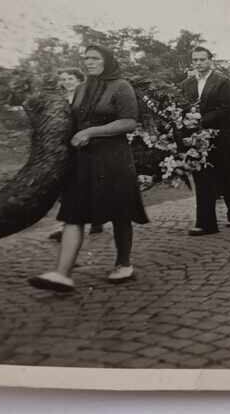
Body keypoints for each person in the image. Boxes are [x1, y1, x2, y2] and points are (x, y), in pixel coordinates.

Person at [29, 46, 147, 292]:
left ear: (107, 61)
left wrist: (91, 132)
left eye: (95, 58)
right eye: (86, 58)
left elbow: (129, 121)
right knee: (74, 213)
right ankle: (62, 274)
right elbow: (74, 121)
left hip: (113, 158)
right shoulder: (82, 88)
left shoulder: (121, 86)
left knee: (119, 213)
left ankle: (123, 264)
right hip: (83, 160)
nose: (89, 62)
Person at [180, 47, 230, 235]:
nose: (198, 63)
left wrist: (201, 118)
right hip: (197, 137)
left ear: (210, 61)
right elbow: (182, 106)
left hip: (221, 135)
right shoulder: (186, 83)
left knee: (226, 175)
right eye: (195, 60)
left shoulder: (222, 82)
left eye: (202, 59)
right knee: (202, 176)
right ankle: (206, 222)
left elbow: (226, 108)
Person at [47, 67, 101, 241]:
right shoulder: (61, 100)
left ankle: (95, 219)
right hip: (67, 146)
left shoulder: (86, 98)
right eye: (63, 79)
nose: (66, 82)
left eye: (70, 78)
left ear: (79, 80)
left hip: (86, 145)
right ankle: (66, 225)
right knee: (67, 185)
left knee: (87, 183)